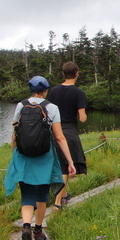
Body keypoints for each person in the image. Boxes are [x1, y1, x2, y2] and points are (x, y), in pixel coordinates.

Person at [4, 76, 76, 240]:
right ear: (46, 90)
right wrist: (70, 160)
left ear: (31, 89)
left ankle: (26, 226)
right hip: (45, 156)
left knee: (27, 194)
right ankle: (38, 230)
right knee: (42, 194)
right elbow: (59, 137)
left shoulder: (21, 106)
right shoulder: (51, 108)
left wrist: (14, 154)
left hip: (24, 156)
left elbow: (15, 133)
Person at [47, 61, 88, 209]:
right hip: (69, 131)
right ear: (76, 73)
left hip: (53, 130)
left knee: (58, 164)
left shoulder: (52, 91)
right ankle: (58, 203)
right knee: (65, 167)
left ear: (63, 74)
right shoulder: (79, 93)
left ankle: (63, 195)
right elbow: (82, 118)